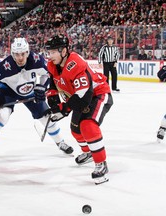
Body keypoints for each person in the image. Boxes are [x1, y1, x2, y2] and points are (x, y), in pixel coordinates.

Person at [0, 37, 74, 164]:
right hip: (8, 91)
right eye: (16, 54)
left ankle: (61, 142)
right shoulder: (4, 67)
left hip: (30, 91)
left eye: (23, 54)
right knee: (1, 116)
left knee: (46, 117)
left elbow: (48, 73)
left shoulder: (37, 60)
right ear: (12, 54)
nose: (20, 57)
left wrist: (41, 87)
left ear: (27, 52)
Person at [45, 35, 113, 185]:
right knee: (75, 130)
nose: (50, 56)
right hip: (80, 96)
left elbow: (83, 97)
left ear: (63, 51)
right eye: (49, 52)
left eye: (53, 52)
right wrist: (53, 99)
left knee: (87, 125)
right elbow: (53, 83)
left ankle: (101, 164)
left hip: (98, 94)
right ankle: (88, 152)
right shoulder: (52, 64)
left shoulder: (76, 64)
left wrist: (64, 109)